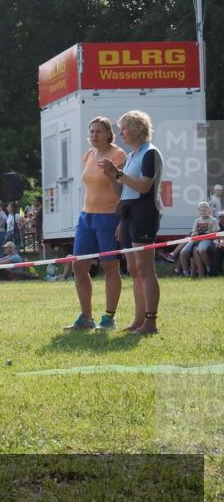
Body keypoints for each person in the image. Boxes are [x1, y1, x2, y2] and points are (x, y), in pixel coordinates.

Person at [98, 110, 163, 335]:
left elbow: (144, 186)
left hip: (144, 211)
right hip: (128, 212)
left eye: (124, 128)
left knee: (145, 269)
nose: (121, 132)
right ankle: (138, 321)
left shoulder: (150, 153)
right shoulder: (132, 154)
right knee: (134, 269)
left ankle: (150, 322)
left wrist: (117, 174)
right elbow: (122, 191)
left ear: (138, 128)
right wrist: (110, 176)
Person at [65, 116, 128, 331]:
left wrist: (121, 220)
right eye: (91, 131)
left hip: (109, 216)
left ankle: (109, 317)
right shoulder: (89, 155)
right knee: (79, 266)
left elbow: (122, 190)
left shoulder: (118, 155)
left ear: (109, 134)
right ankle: (86, 317)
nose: (94, 135)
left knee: (110, 266)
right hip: (86, 216)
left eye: (98, 131)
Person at [179, 201, 220, 278]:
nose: (203, 212)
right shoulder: (197, 220)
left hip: (207, 239)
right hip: (196, 238)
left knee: (201, 250)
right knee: (183, 253)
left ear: (208, 210)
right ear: (199, 211)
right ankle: (186, 273)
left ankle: (208, 267)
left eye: (204, 210)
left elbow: (215, 233)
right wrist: (194, 234)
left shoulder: (213, 220)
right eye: (201, 210)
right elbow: (193, 232)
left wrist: (204, 235)